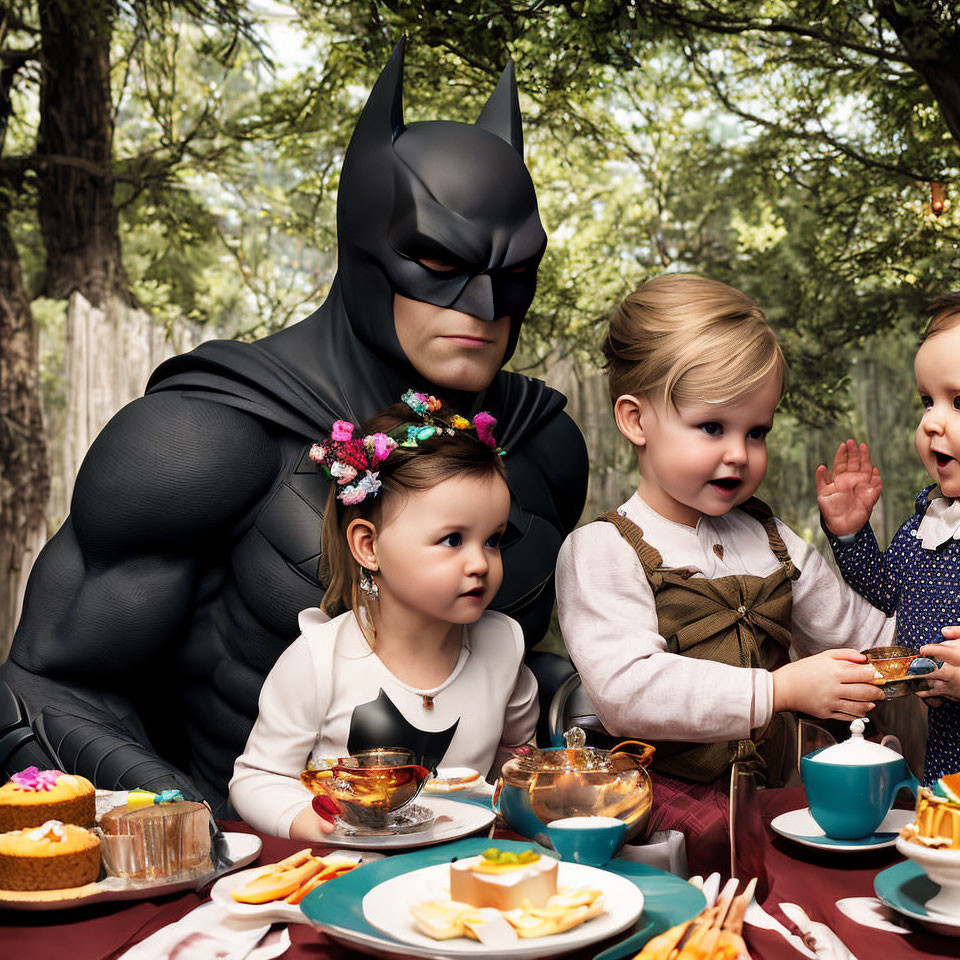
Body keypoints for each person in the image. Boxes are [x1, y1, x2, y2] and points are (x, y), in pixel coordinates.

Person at [0, 39, 587, 815]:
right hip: (251, 866)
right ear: (365, 246)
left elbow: (492, 672)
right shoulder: (205, 436)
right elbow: (43, 685)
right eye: (439, 264)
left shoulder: (542, 445)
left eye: (512, 272)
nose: (483, 308)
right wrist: (189, 828)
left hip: (468, 871)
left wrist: (579, 712)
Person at [555, 275, 894, 846]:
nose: (739, 453)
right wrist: (778, 692)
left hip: (778, 799)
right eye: (712, 427)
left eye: (756, 431)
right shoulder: (602, 550)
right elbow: (628, 691)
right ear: (636, 420)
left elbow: (863, 637)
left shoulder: (772, 539)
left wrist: (932, 654)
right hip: (664, 811)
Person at [230, 393, 537, 839]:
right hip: (353, 863)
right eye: (453, 540)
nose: (480, 563)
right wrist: (317, 826)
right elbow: (257, 778)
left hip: (466, 865)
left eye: (492, 540)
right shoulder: (320, 659)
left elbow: (515, 756)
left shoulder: (503, 644)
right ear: (369, 547)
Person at [817, 291, 960, 784]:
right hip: (944, 744)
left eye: (958, 402)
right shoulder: (930, 523)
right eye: (927, 400)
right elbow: (885, 589)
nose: (930, 421)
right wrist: (852, 533)